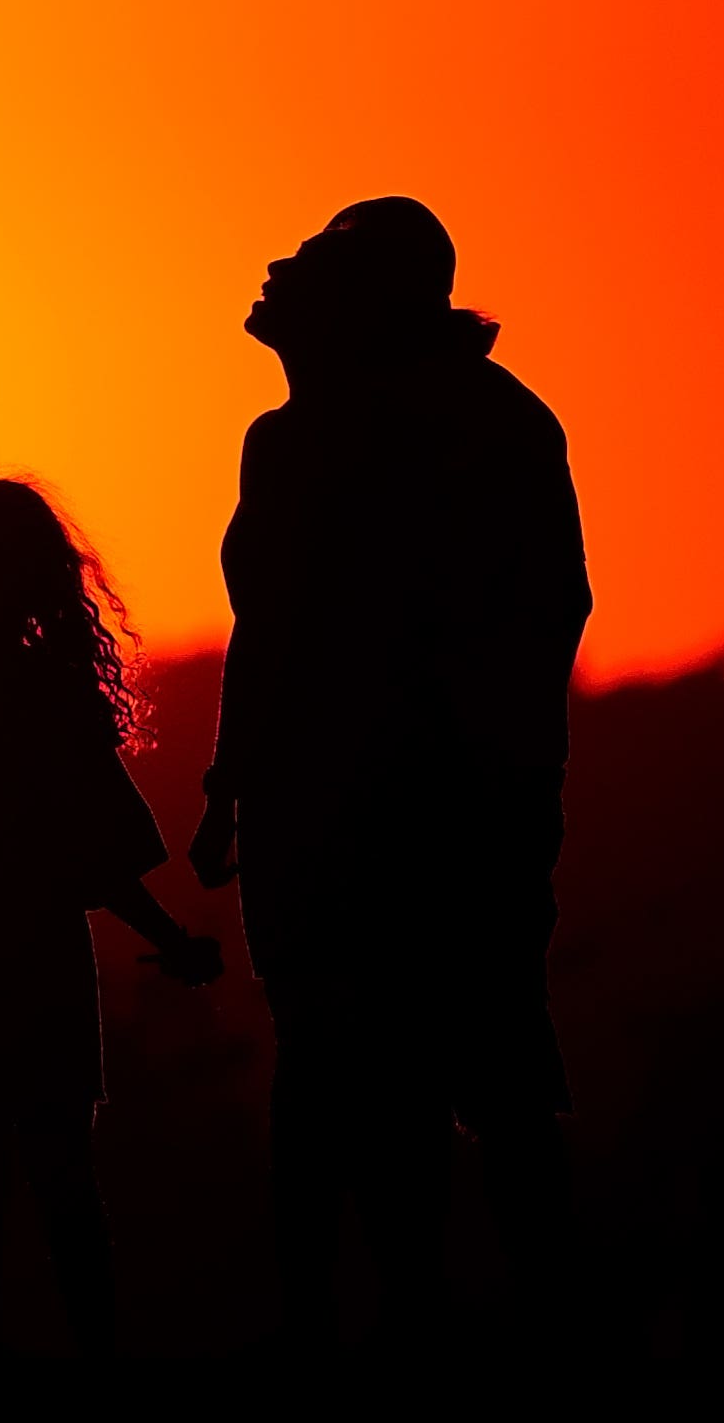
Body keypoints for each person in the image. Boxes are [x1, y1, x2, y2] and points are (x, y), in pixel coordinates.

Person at [186, 196, 592, 1349]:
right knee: (347, 1065)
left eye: (312, 260)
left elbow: (525, 617)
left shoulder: (469, 427)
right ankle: (366, 1320)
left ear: (370, 301)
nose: (274, 267)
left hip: (428, 810)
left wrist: (480, 781)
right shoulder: (302, 434)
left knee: (456, 1075)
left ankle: (455, 1321)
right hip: (328, 805)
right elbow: (265, 629)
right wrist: (229, 783)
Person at [0, 476, 222, 1354]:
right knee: (66, 1173)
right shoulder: (46, 696)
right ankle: (98, 1360)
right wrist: (172, 939)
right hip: (35, 954)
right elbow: (99, 855)